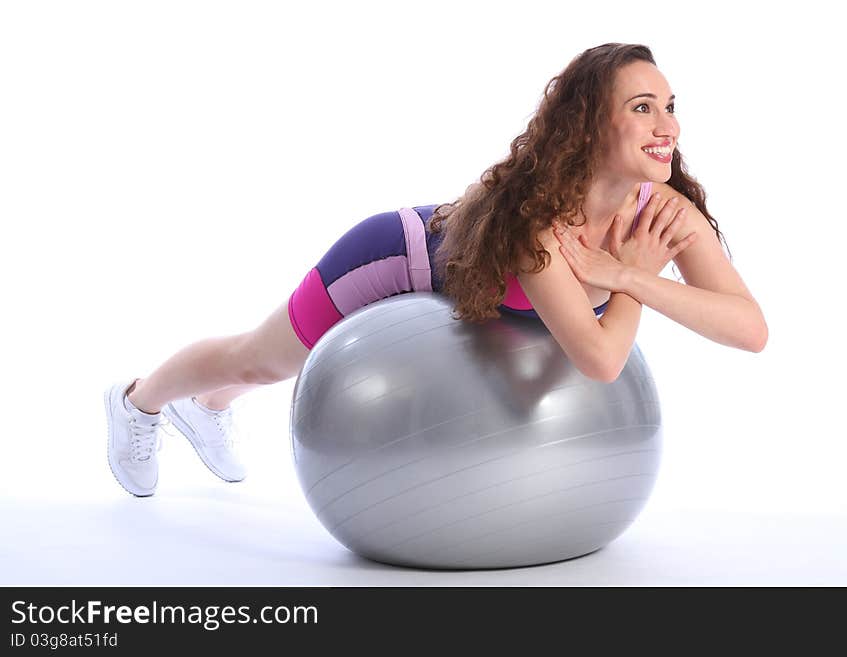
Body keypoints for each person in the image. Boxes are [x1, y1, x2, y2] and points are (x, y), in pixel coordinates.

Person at [104, 42, 768, 497]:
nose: (668, 126)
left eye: (671, 104)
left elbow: (750, 328)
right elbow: (598, 358)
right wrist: (629, 274)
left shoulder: (664, 214)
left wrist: (631, 275)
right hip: (397, 256)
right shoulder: (540, 220)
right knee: (260, 360)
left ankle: (206, 408)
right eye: (642, 107)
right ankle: (141, 399)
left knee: (246, 373)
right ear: (592, 125)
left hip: (482, 275)